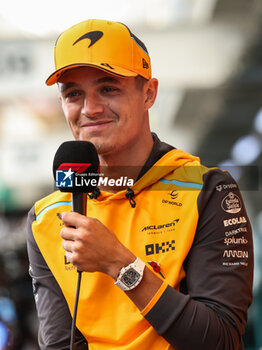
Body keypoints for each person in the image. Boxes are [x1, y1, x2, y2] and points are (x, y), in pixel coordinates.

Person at [27, 19, 253, 350]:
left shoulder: (208, 191)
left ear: (148, 93)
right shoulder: (47, 219)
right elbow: (61, 344)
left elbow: (221, 340)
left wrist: (119, 264)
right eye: (74, 94)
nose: (90, 109)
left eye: (108, 88)